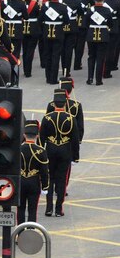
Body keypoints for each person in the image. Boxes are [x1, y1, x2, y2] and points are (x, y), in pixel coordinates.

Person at [41, 89, 80, 217]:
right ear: (64, 104)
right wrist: (76, 157)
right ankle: (58, 209)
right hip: (65, 150)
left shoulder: (47, 118)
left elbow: (41, 138)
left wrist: (41, 153)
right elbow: (75, 139)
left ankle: (48, 208)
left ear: (54, 103)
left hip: (50, 150)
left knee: (50, 179)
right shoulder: (71, 118)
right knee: (62, 180)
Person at [19, 120, 50, 224]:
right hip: (34, 183)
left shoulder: (18, 149)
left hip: (20, 182)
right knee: (32, 211)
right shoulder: (41, 151)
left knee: (20, 210)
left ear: (24, 135)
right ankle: (31, 233)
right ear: (37, 136)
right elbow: (44, 171)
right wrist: (45, 187)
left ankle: (20, 233)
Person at [41, 0, 70, 85]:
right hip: (58, 33)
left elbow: (41, 19)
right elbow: (67, 21)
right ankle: (53, 78)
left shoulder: (45, 6)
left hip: (47, 32)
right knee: (55, 56)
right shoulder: (63, 7)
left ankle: (48, 78)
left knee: (47, 55)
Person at [86, 0, 113, 85]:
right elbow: (110, 23)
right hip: (103, 35)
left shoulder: (90, 10)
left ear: (95, 0)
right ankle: (98, 80)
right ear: (103, 0)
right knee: (101, 58)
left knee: (91, 57)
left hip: (91, 35)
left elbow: (86, 23)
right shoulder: (107, 10)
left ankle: (90, 78)